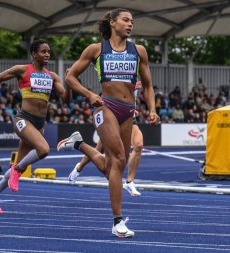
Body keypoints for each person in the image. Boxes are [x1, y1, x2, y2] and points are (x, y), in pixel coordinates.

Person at [57, 8, 159, 238]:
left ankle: (79, 144)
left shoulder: (139, 51)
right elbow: (70, 77)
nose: (130, 24)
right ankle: (117, 222)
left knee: (113, 167)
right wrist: (89, 94)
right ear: (113, 23)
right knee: (120, 159)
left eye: (132, 21)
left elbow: (149, 85)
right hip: (106, 106)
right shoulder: (96, 49)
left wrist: (152, 109)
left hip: (129, 110)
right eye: (125, 20)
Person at [0, 39, 69, 214]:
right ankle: (16, 171)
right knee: (44, 149)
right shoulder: (22, 70)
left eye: (48, 52)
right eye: (43, 51)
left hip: (39, 124)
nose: (47, 55)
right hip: (23, 119)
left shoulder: (52, 76)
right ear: (33, 54)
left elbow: (65, 98)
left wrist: (70, 81)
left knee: (20, 164)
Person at [69, 81, 144, 197]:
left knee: (138, 145)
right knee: (99, 151)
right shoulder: (114, 74)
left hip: (128, 117)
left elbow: (131, 98)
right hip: (112, 117)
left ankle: (129, 181)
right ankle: (79, 168)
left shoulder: (135, 73)